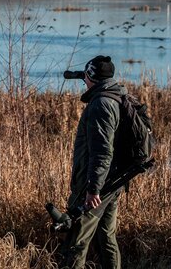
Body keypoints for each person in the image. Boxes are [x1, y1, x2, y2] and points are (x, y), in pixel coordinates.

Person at [62, 55, 126, 268]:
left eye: (86, 76)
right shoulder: (115, 94)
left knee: (76, 241)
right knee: (105, 237)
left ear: (91, 76)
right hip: (112, 181)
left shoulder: (101, 105)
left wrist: (93, 190)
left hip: (96, 186)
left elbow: (101, 152)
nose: (84, 80)